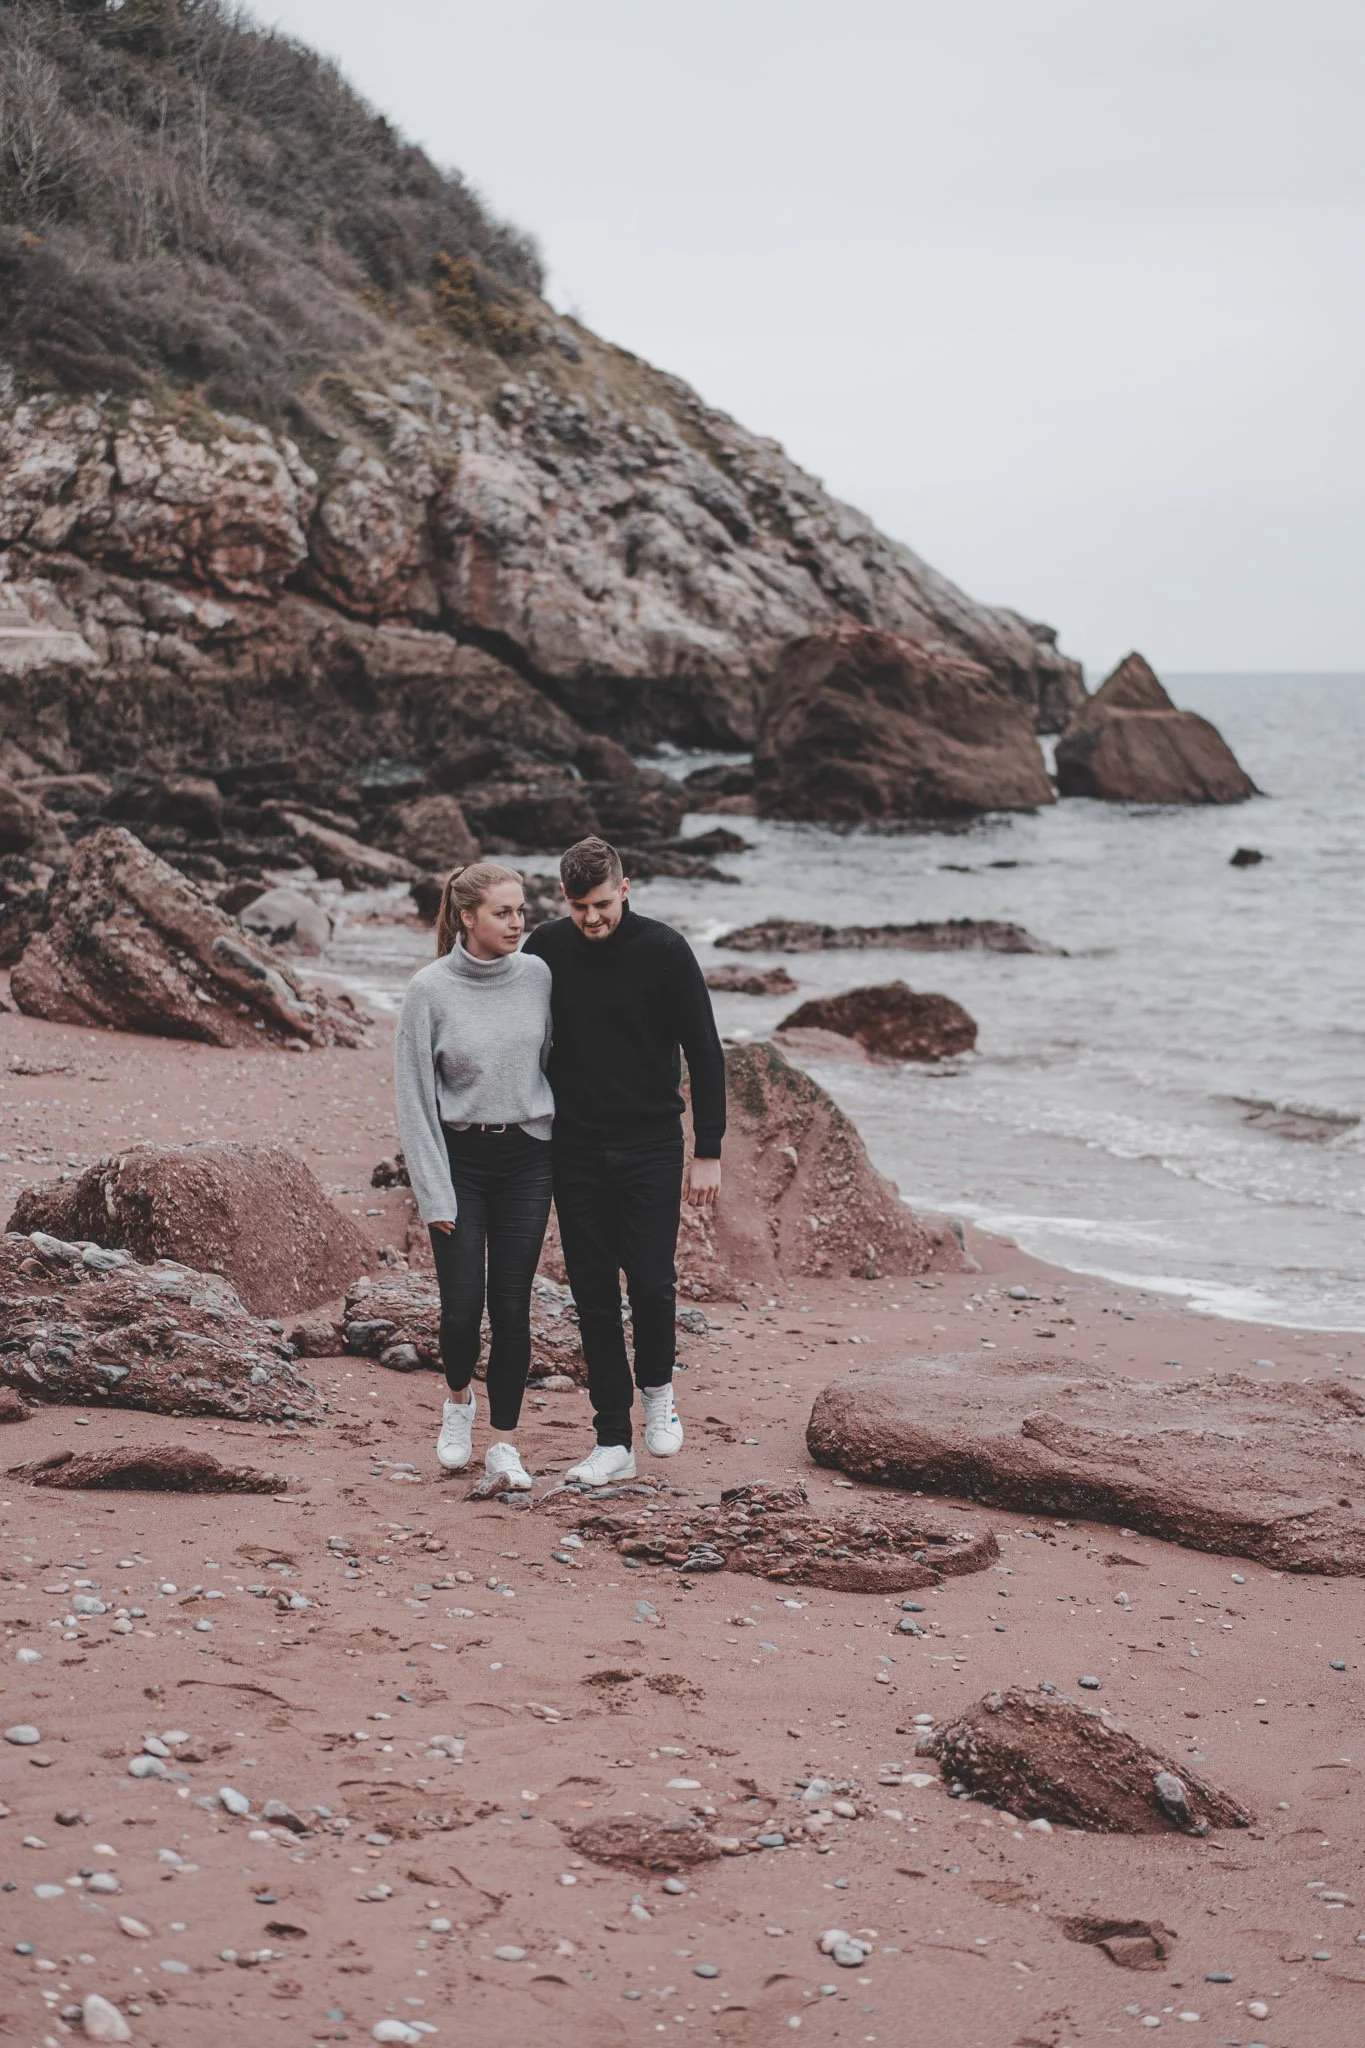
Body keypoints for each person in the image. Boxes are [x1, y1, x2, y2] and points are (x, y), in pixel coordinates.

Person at [523, 835, 726, 1484]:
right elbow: (514, 1030)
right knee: (591, 1294)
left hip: (651, 1145)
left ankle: (659, 1398)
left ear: (626, 887)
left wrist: (709, 1151)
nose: (593, 919)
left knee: (650, 1280)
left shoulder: (665, 952)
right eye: (580, 906)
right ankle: (612, 1438)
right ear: (563, 897)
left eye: (604, 904)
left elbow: (705, 1051)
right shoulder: (546, 949)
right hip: (574, 1147)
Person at [393, 861, 554, 1492]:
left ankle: (506, 1446)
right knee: (462, 1312)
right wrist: (434, 1190)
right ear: (468, 917)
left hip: (527, 1160)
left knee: (513, 1309)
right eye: (504, 912)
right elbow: (413, 1099)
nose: (518, 923)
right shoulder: (428, 990)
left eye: (522, 910)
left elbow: (556, 1063)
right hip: (460, 1163)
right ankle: (458, 1403)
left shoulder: (540, 976)